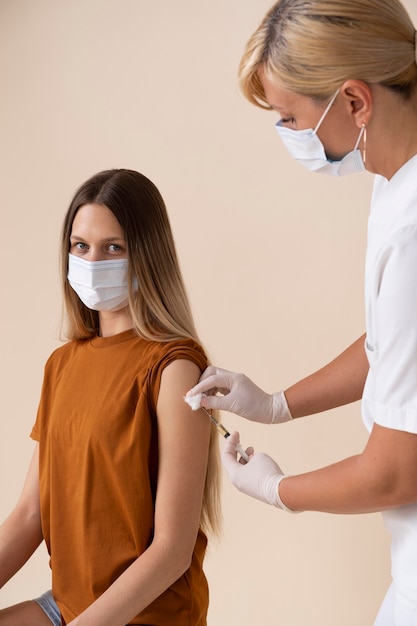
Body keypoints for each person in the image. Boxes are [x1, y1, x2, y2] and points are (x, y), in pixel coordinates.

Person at [186, 0, 417, 623]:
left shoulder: (414, 227)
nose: (287, 134)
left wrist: (277, 489)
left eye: (290, 117)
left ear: (354, 102)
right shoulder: (394, 179)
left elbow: (395, 473)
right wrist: (276, 404)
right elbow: (393, 344)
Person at [0, 168, 221, 626]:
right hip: (66, 606)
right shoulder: (62, 366)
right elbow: (28, 515)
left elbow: (171, 552)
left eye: (113, 247)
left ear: (146, 254)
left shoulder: (175, 368)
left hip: (147, 617)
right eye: (80, 246)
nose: (92, 260)